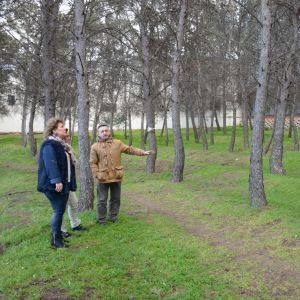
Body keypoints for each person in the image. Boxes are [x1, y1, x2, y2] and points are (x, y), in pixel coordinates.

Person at [90, 124, 153, 225]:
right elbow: (93, 162)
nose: (104, 133)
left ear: (109, 132)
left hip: (116, 176)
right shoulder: (94, 146)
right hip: (103, 178)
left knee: (116, 198)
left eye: (106, 130)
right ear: (99, 133)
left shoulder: (118, 143)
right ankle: (101, 220)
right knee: (102, 200)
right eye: (102, 131)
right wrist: (97, 174)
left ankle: (113, 217)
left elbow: (129, 149)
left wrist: (142, 152)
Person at [37, 117, 76, 248]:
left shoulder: (60, 144)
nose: (65, 128)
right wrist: (56, 180)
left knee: (59, 211)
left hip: (62, 183)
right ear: (54, 130)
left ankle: (58, 238)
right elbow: (50, 163)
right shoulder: (49, 144)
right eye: (61, 126)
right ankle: (56, 241)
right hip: (53, 185)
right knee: (58, 211)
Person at [61, 130, 85, 236]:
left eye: (69, 136)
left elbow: (74, 163)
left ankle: (75, 225)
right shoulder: (58, 148)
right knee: (61, 208)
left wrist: (72, 154)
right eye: (67, 136)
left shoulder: (69, 148)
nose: (69, 137)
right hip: (61, 182)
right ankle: (60, 230)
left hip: (69, 182)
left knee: (74, 204)